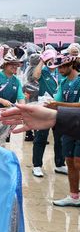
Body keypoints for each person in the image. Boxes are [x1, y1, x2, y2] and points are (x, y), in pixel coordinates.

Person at [47, 55, 80, 206]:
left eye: (61, 67)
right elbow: (56, 101)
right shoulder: (63, 82)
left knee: (79, 162)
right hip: (67, 126)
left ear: (71, 65)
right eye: (57, 67)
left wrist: (57, 103)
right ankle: (74, 196)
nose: (59, 70)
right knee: (69, 161)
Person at [26, 52, 63, 177]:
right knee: (41, 137)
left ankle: (60, 164)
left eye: (54, 58)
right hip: (44, 109)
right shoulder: (43, 71)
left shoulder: (61, 72)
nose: (52, 60)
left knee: (60, 138)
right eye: (50, 58)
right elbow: (35, 76)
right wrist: (42, 60)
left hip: (60, 108)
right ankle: (37, 166)